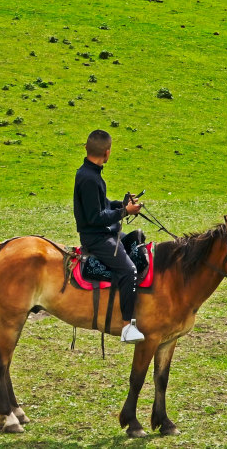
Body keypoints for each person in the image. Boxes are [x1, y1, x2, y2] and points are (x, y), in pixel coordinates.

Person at [73, 130, 145, 343]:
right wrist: (126, 212)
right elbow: (96, 217)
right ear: (107, 152)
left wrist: (122, 204)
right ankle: (127, 326)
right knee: (129, 269)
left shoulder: (91, 173)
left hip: (102, 232)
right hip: (96, 238)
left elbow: (101, 204)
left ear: (87, 148)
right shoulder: (89, 178)